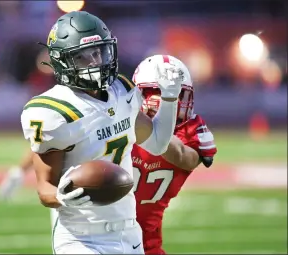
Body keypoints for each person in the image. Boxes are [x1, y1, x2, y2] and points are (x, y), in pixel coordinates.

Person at [20, 11, 183, 254]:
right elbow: (44, 188)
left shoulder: (122, 92)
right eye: (84, 56)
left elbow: (158, 144)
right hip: (81, 238)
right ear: (63, 61)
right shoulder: (54, 112)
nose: (96, 61)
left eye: (99, 51)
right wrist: (62, 197)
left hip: (129, 231)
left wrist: (170, 99)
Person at [132, 54, 218, 254]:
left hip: (147, 243)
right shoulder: (119, 119)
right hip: (102, 236)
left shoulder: (192, 130)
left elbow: (183, 158)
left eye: (179, 94)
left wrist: (142, 123)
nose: (174, 100)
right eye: (156, 91)